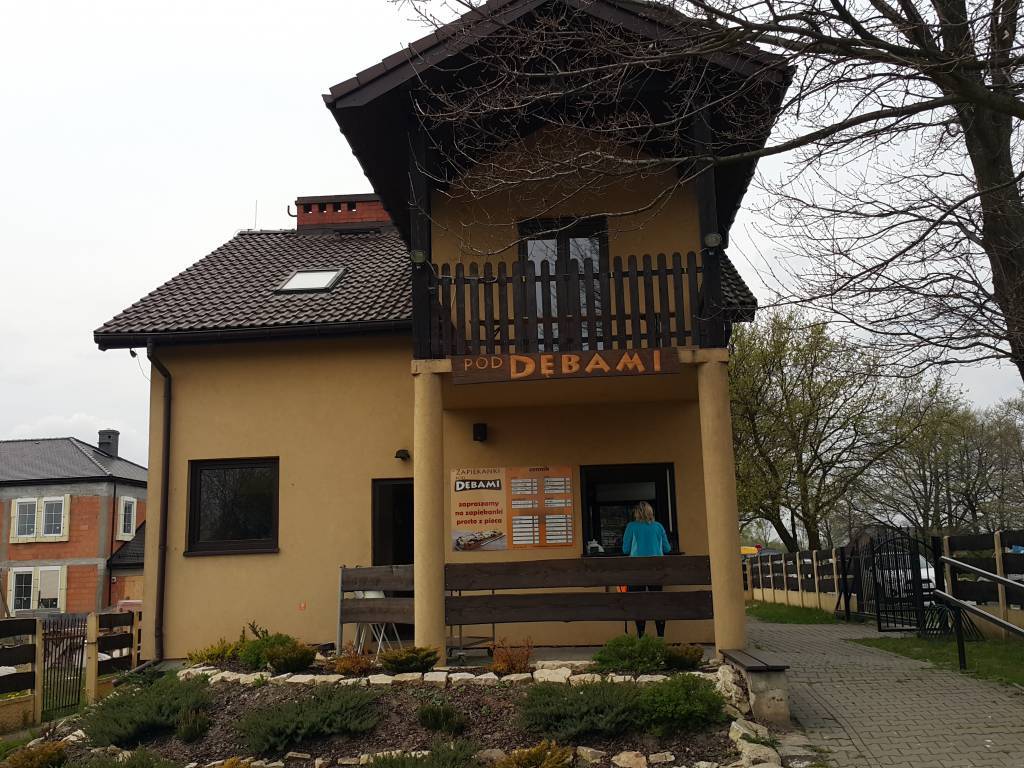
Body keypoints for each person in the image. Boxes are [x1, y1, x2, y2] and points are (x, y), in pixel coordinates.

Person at [621, 500, 672, 638]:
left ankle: (641, 636)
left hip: (637, 571)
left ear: (637, 513)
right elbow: (667, 548)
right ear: (651, 512)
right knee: (657, 602)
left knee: (639, 603)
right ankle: (660, 636)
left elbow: (625, 549)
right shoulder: (658, 527)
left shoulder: (631, 527)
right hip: (657, 571)